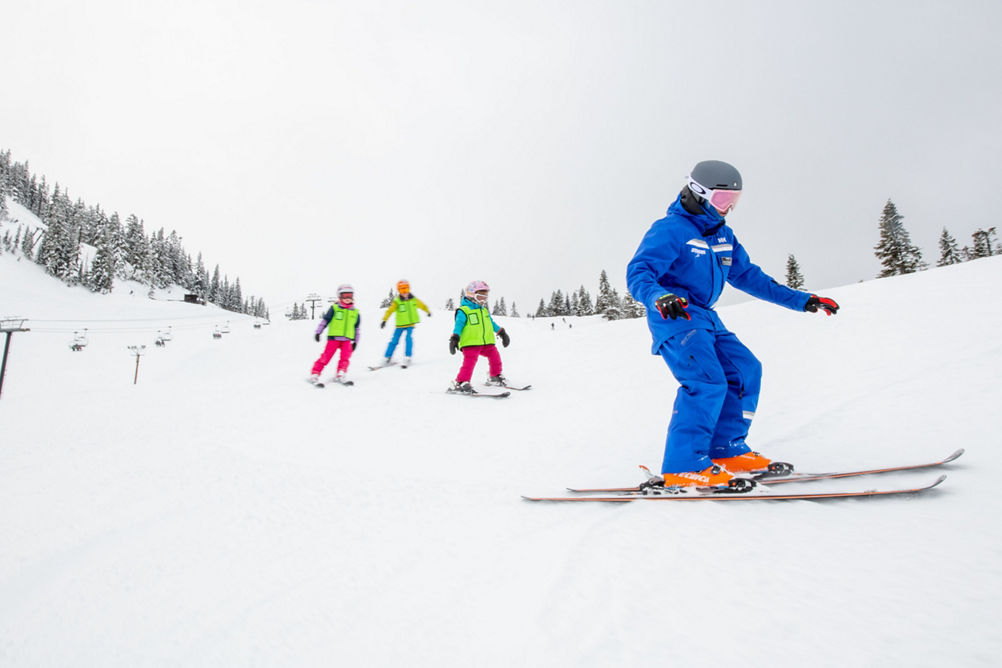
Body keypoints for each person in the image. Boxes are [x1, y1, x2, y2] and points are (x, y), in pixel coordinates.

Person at [626, 160, 839, 489]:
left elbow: (750, 277)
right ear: (698, 193)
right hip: (675, 315)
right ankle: (683, 465)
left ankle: (726, 450)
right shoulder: (671, 230)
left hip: (705, 316)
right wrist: (659, 296)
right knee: (706, 381)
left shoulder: (723, 235)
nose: (727, 209)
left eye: (733, 201)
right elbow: (639, 272)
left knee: (744, 370)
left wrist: (802, 300)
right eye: (722, 200)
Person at [447, 280, 511, 393]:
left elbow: (491, 323)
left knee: (494, 355)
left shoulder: (484, 311)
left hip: (485, 343)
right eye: (480, 297)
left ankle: (494, 376)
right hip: (471, 343)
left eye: (485, 297)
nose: (483, 300)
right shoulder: (464, 311)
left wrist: (501, 332)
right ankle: (460, 382)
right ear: (471, 295)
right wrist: (455, 338)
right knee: (470, 361)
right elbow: (459, 325)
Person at [309, 284, 360, 384]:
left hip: (347, 340)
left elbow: (357, 328)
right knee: (326, 357)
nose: (348, 298)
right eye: (345, 295)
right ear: (339, 296)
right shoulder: (334, 308)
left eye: (350, 295)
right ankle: (315, 373)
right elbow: (325, 321)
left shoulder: (355, 312)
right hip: (333, 339)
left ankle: (341, 373)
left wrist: (355, 342)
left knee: (345, 359)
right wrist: (318, 332)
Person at [379, 279, 432, 367]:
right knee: (394, 341)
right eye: (402, 290)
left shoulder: (414, 300)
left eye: (406, 289)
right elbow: (389, 311)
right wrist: (384, 320)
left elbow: (422, 305)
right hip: (399, 325)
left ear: (409, 289)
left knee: (408, 339)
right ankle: (387, 357)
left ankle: (407, 357)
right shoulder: (397, 301)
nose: (404, 292)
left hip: (410, 324)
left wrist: (427, 311)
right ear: (399, 291)